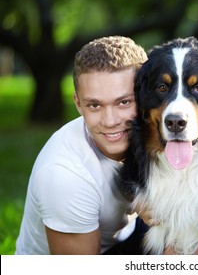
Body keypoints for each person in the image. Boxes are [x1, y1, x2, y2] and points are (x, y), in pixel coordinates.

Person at [15, 36, 148, 254]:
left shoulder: (157, 130)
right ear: (78, 104)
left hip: (127, 236)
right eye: (94, 105)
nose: (110, 121)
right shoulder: (64, 176)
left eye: (124, 102)